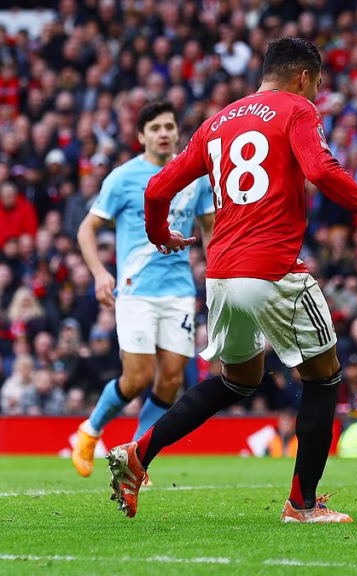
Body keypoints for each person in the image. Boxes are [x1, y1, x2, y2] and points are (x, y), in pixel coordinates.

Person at [105, 36, 357, 523]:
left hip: (223, 274)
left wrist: (159, 234)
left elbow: (157, 187)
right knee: (324, 376)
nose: (314, 94)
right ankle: (302, 504)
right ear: (302, 77)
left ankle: (138, 453)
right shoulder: (296, 108)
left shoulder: (217, 122)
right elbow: (322, 169)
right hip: (272, 268)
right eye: (315, 85)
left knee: (238, 380)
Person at [71, 100, 215, 479]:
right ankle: (90, 429)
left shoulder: (194, 178)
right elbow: (87, 229)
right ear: (141, 136)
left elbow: (210, 228)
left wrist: (218, 274)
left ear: (177, 132)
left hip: (180, 291)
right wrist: (101, 274)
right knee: (136, 377)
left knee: (171, 379)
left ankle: (133, 458)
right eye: (155, 128)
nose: (164, 133)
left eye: (169, 126)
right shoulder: (123, 178)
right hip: (135, 290)